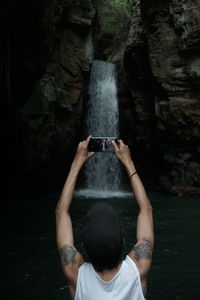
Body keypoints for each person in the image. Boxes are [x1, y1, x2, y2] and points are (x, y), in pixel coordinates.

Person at [55, 136, 154, 300]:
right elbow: (146, 209)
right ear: (123, 240)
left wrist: (76, 163)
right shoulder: (138, 269)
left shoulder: (76, 274)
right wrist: (128, 162)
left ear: (83, 245)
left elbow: (61, 212)